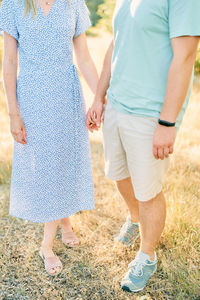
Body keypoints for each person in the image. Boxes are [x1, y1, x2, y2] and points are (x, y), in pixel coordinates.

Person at [87, 0, 200, 292]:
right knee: (118, 175)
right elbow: (115, 44)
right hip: (117, 104)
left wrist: (167, 122)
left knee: (148, 190)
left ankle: (146, 255)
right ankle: (134, 219)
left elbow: (186, 56)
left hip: (151, 113)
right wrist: (99, 96)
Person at [0, 0, 98, 276]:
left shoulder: (73, 4)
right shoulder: (13, 5)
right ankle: (47, 244)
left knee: (62, 160)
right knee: (45, 165)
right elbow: (8, 61)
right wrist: (13, 113)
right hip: (32, 98)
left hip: (66, 95)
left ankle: (62, 225)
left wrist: (100, 98)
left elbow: (85, 58)